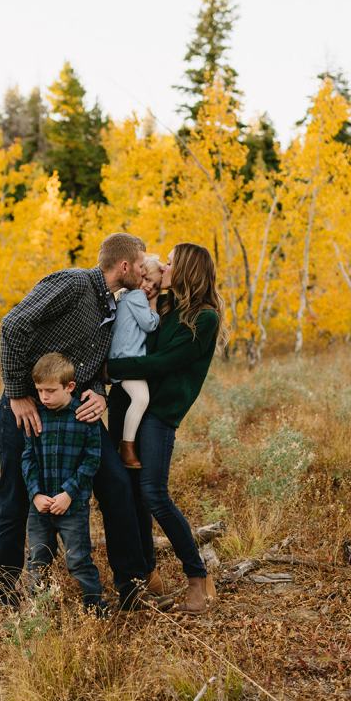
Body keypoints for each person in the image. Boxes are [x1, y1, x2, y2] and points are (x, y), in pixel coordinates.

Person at [0, 231, 170, 611]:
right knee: (14, 499)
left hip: (77, 419)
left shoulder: (116, 306)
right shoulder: (72, 284)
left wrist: (99, 394)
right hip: (27, 411)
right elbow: (13, 326)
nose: (144, 272)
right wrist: (18, 392)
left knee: (117, 484)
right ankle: (4, 598)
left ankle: (132, 586)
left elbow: (94, 367)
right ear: (124, 266)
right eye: (141, 265)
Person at [107, 243, 227, 614]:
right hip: (128, 406)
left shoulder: (203, 318)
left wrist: (112, 371)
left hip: (159, 414)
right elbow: (140, 342)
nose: (166, 266)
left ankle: (198, 577)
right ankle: (146, 575)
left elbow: (164, 362)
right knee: (128, 495)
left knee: (154, 494)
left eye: (172, 262)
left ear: (188, 269)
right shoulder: (167, 305)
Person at [22, 353, 106, 612]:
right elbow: (28, 458)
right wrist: (36, 494)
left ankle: (95, 607)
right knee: (38, 559)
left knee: (79, 560)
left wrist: (68, 493)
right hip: (40, 507)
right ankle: (40, 609)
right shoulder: (37, 416)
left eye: (50, 390)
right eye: (39, 391)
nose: (44, 397)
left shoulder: (83, 416)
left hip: (73, 506)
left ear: (69, 387)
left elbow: (92, 460)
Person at [108, 254, 162, 469]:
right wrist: (155, 303)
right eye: (146, 279)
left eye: (156, 286)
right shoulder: (138, 298)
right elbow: (150, 324)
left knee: (137, 399)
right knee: (141, 398)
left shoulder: (124, 297)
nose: (149, 287)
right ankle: (127, 446)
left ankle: (125, 444)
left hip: (121, 359)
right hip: (127, 361)